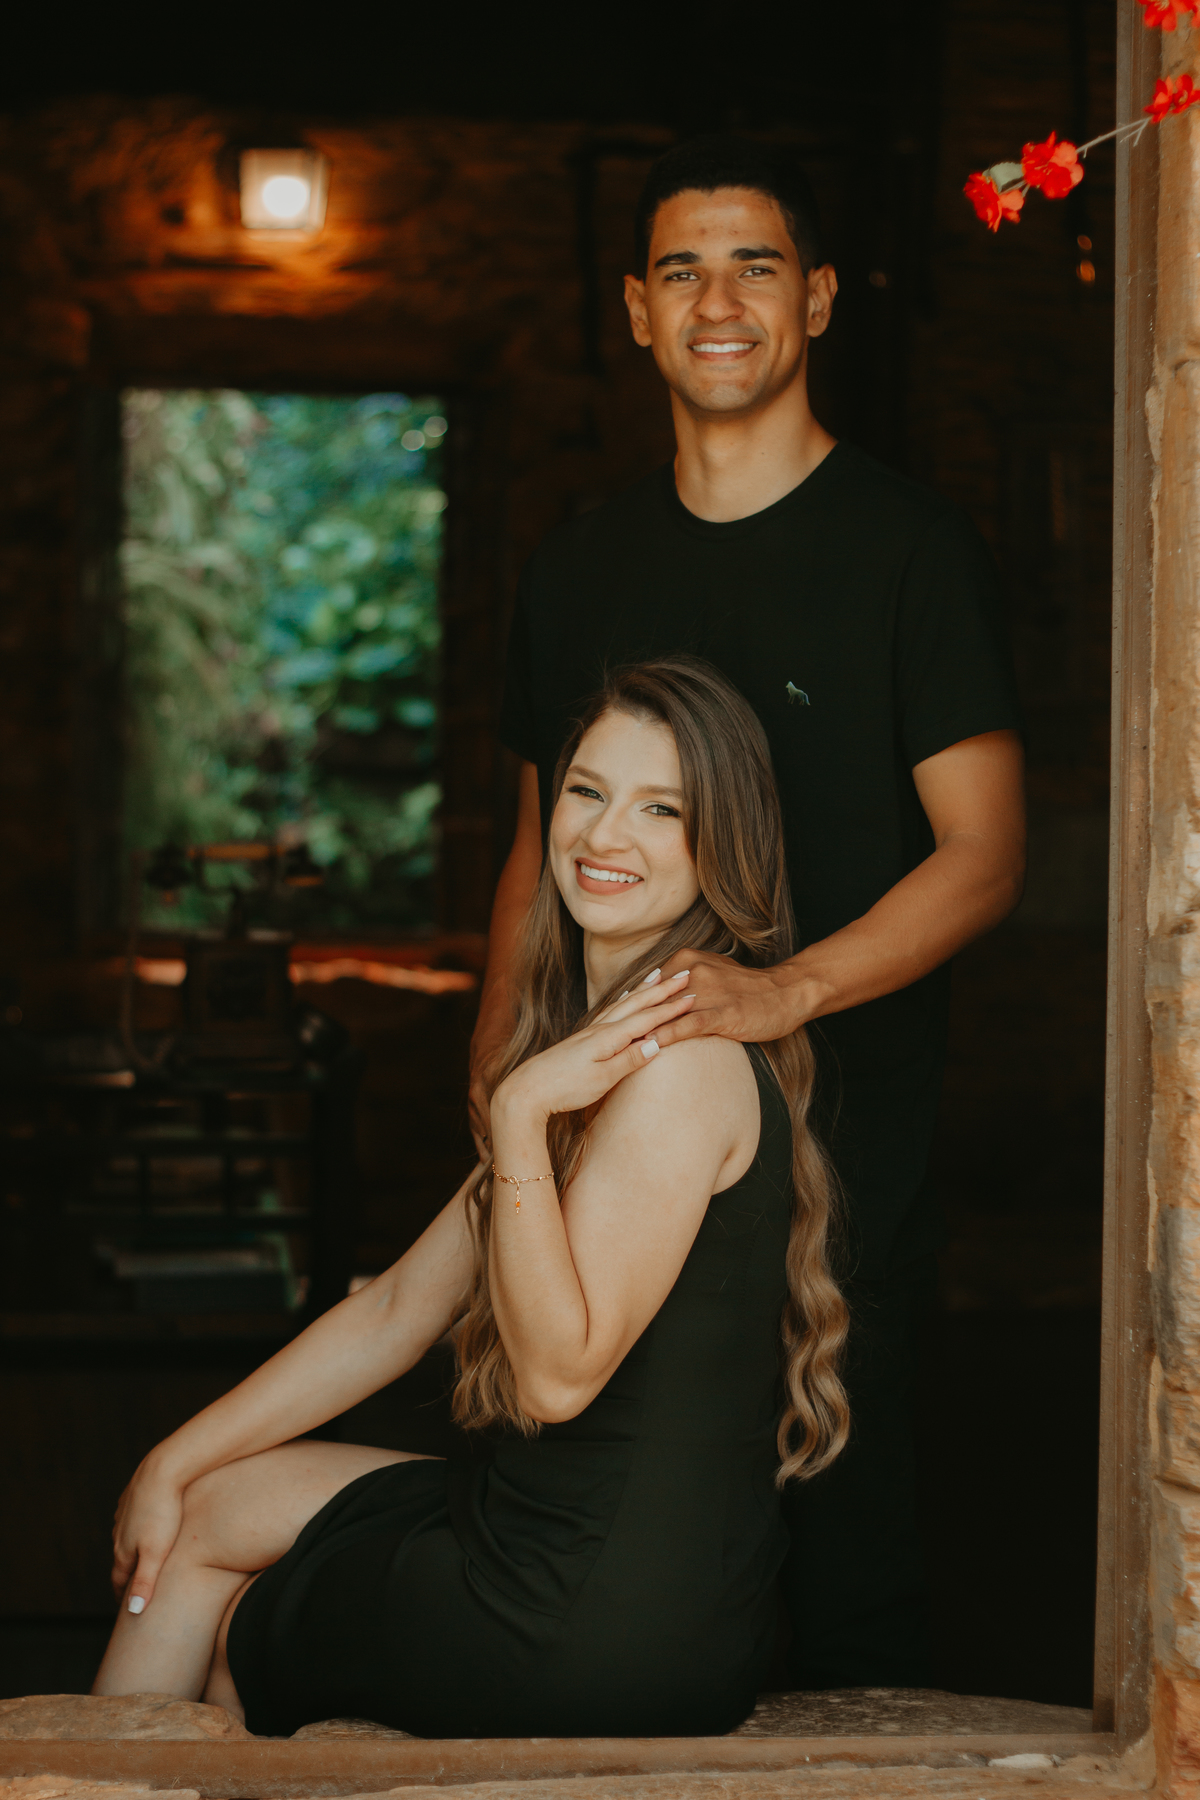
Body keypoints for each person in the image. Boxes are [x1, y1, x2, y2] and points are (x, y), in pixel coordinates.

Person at [470, 134, 1027, 1689]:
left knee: (845, 1598)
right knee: (600, 1562)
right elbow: (528, 857)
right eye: (683, 271)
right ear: (637, 312)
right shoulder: (577, 566)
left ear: (821, 299)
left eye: (756, 267)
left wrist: (784, 994)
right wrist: (499, 1085)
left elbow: (987, 856)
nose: (718, 302)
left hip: (841, 1163)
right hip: (608, 1164)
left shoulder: (911, 551)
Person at [92, 658, 849, 1737]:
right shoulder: (608, 1054)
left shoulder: (679, 1068)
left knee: (245, 1624)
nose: (605, 834)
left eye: (662, 809)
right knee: (210, 1505)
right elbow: (398, 1308)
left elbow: (555, 1380)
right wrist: (169, 1461)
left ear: (722, 846)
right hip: (579, 1562)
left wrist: (519, 1113)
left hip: (586, 1617)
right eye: (586, 791)